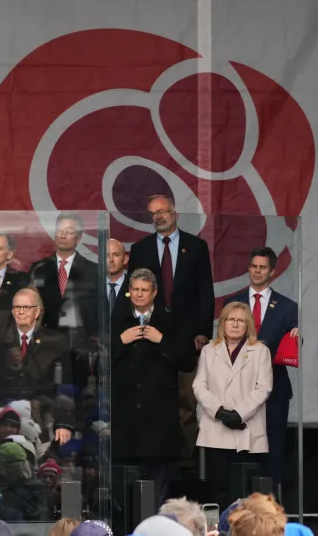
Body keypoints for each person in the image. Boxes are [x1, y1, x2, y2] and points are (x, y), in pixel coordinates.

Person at [125, 194, 215, 459]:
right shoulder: (141, 249)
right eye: (153, 213)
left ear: (175, 213)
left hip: (187, 337)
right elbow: (134, 295)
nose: (158, 217)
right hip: (150, 337)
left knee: (187, 402)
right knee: (155, 400)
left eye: (162, 211)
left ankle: (186, 463)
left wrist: (203, 332)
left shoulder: (196, 246)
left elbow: (205, 292)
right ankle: (155, 458)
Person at [110, 268, 196, 509]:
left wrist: (161, 340)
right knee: (124, 495)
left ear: (154, 292)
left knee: (158, 493)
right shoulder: (115, 321)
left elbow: (188, 361)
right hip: (125, 420)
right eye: (134, 289)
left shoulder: (170, 322)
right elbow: (95, 362)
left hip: (158, 421)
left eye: (144, 290)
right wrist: (120, 341)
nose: (138, 294)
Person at [225, 246, 299, 488]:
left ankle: (268, 508)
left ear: (273, 271)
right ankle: (237, 506)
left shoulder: (288, 307)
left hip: (274, 390)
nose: (257, 271)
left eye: (262, 267)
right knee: (238, 450)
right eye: (253, 266)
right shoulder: (232, 302)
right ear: (248, 268)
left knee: (272, 449)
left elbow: (295, 345)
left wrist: (299, 336)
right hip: (237, 390)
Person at [192, 302, 272, 506]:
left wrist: (238, 413)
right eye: (230, 319)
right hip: (216, 428)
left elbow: (263, 388)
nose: (235, 324)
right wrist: (218, 411)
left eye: (241, 320)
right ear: (223, 323)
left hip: (246, 428)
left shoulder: (260, 351)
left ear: (248, 325)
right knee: (218, 488)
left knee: (246, 491)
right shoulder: (210, 349)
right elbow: (199, 385)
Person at [29, 211, 98, 334]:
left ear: (78, 238)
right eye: (59, 230)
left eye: (69, 231)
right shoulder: (39, 269)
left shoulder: (93, 270)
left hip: (81, 341)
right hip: (46, 340)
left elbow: (97, 313)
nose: (63, 235)